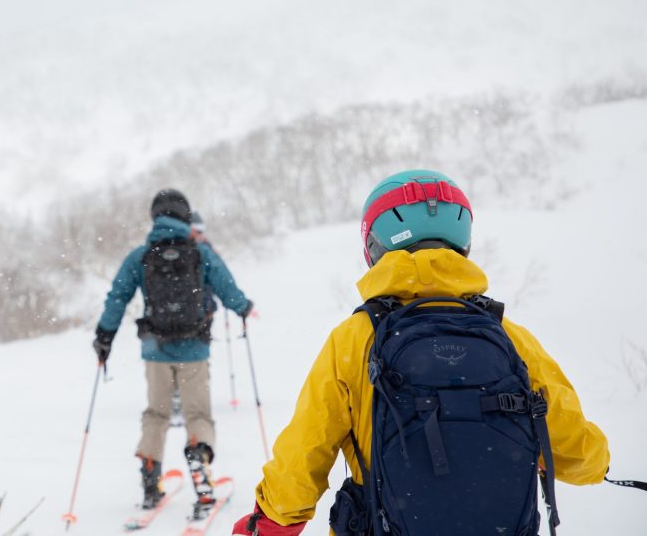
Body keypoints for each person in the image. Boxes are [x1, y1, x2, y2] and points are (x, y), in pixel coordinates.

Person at [232, 169, 609, 536]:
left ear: (375, 248)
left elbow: (306, 447)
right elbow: (575, 452)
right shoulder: (508, 335)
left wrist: (272, 521)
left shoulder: (356, 337)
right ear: (463, 243)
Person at [94, 189, 253, 518]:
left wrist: (104, 336)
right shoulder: (200, 253)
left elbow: (117, 297)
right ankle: (199, 461)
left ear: (155, 217)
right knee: (198, 413)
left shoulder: (140, 255)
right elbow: (226, 287)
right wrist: (243, 306)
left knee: (157, 413)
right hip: (194, 347)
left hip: (155, 350)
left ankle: (151, 477)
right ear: (185, 216)